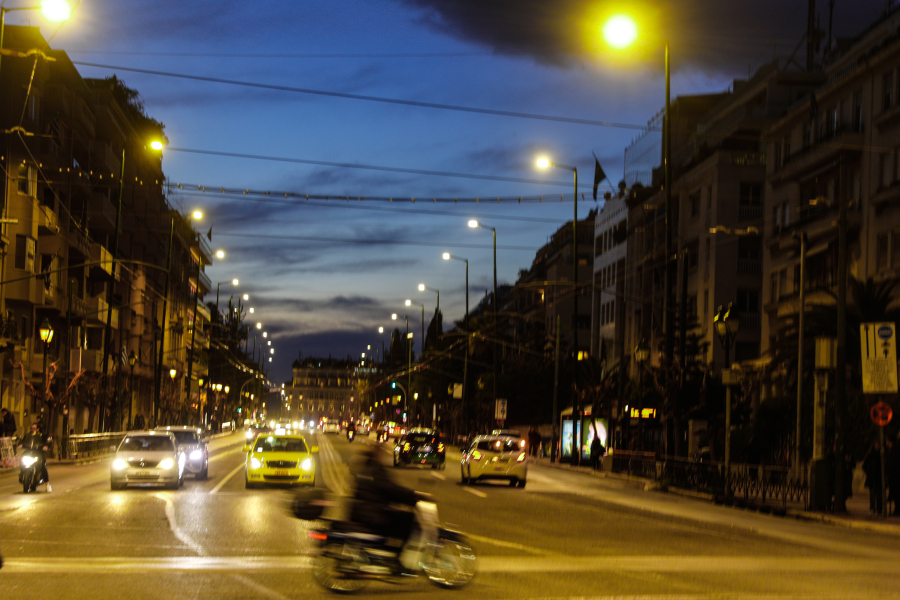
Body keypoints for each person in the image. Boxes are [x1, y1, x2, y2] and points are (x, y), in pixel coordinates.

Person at [349, 445, 422, 549]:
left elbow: (386, 491)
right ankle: (403, 558)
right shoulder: (376, 470)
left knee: (399, 517)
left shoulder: (365, 469)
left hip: (362, 512)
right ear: (377, 455)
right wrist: (414, 496)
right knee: (409, 520)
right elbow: (390, 489)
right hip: (373, 515)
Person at [18, 422, 51, 486]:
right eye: (31, 428)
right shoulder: (28, 435)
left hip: (39, 452)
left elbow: (48, 441)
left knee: (42, 466)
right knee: (22, 459)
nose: (32, 430)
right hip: (29, 452)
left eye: (34, 428)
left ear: (38, 429)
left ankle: (47, 483)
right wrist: (21, 444)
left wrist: (46, 446)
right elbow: (22, 441)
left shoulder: (42, 435)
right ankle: (22, 473)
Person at [862, 440, 883, 514]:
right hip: (872, 477)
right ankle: (872, 507)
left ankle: (879, 508)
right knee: (872, 493)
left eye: (879, 445)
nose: (878, 446)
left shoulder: (881, 454)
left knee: (879, 493)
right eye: (876, 444)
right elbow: (864, 465)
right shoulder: (870, 454)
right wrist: (869, 473)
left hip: (879, 477)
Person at [888, 431, 900, 516]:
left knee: (896, 493)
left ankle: (897, 510)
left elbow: (892, 463)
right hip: (896, 473)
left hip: (896, 474)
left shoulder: (895, 448)